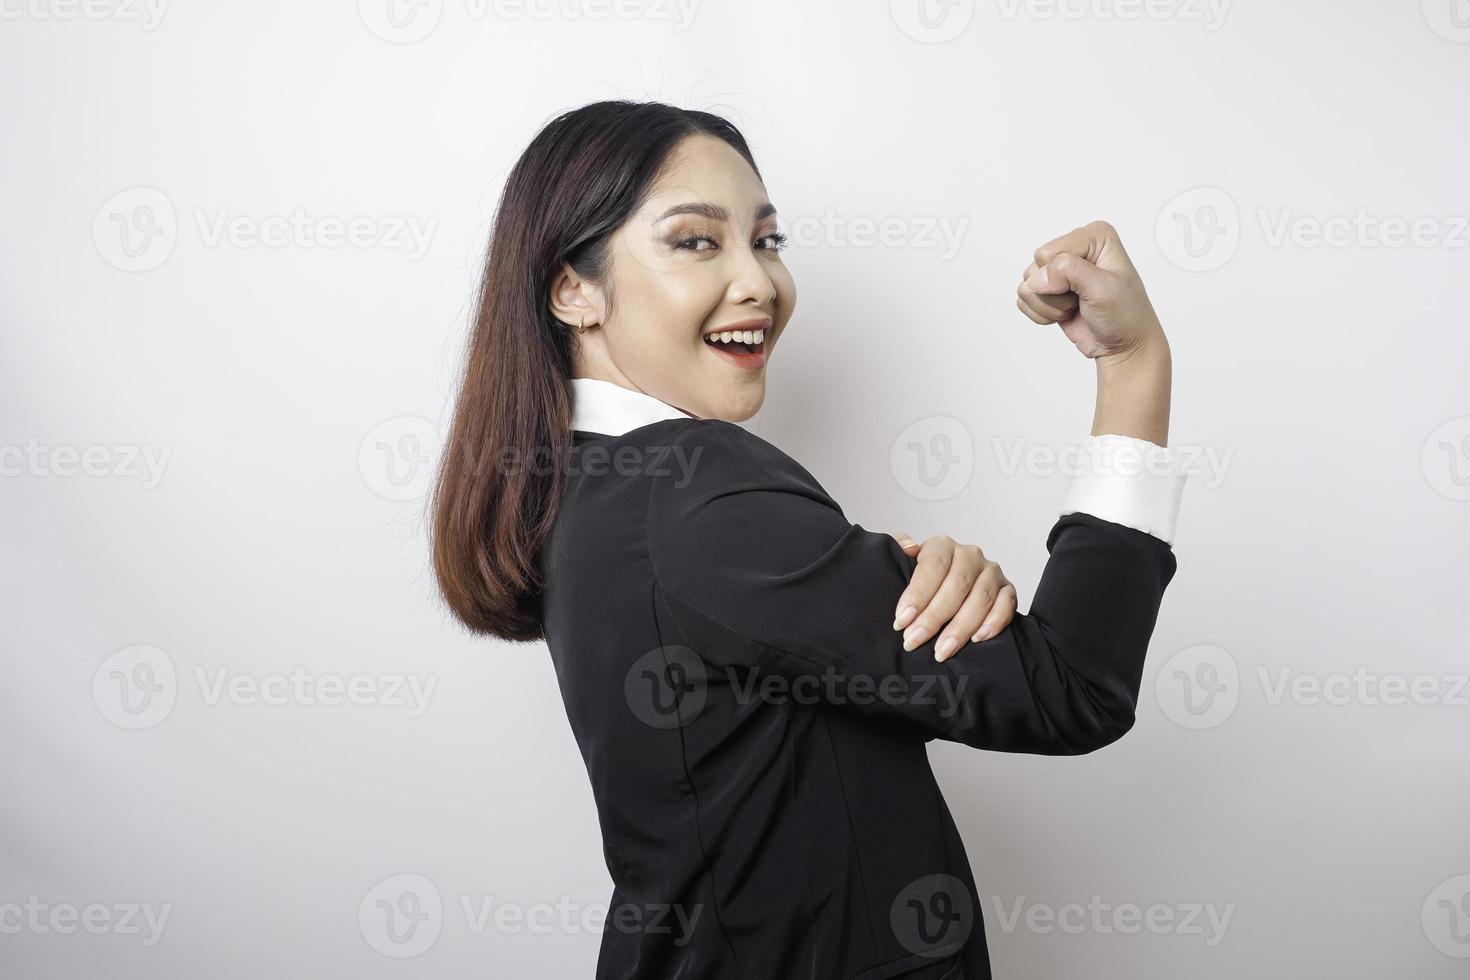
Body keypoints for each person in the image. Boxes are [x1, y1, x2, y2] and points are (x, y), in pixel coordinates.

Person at [431, 100, 1187, 980]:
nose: (759, 282)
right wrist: (1134, 363)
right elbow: (1071, 689)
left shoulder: (595, 488)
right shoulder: (697, 489)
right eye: (696, 241)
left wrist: (918, 590)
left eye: (768, 241)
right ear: (574, 288)